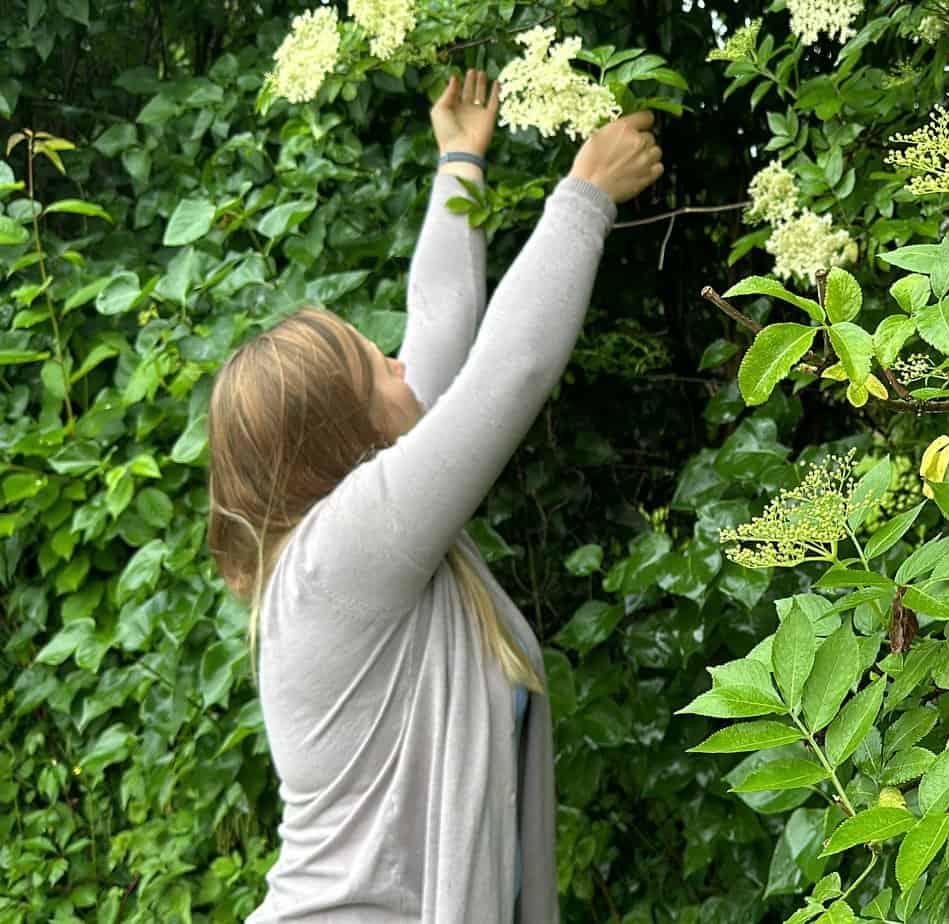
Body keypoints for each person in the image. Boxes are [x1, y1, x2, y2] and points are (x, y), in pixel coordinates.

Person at [206, 68, 663, 923]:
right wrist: (582, 195)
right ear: (340, 432)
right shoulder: (339, 554)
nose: (396, 361)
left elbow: (442, 330)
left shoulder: (343, 551)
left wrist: (459, 158)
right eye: (369, 365)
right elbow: (505, 373)